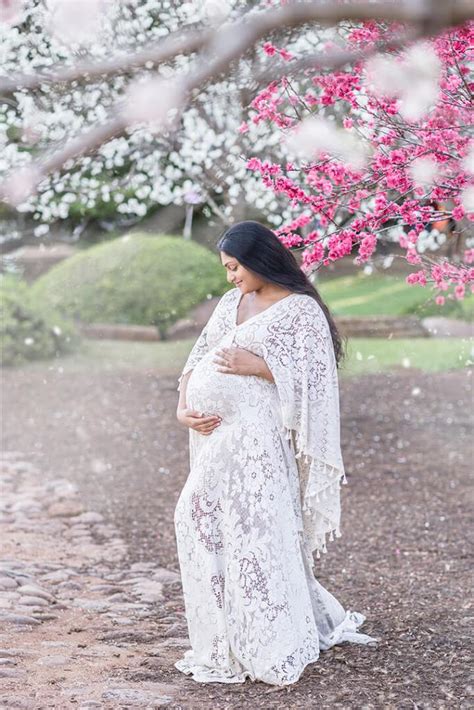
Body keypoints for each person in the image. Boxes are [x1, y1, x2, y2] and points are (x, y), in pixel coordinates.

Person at [174, 220, 379, 686]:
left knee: (256, 532)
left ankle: (268, 637)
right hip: (218, 438)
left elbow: (316, 382)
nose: (230, 277)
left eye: (234, 267)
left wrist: (260, 366)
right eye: (226, 269)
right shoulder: (233, 303)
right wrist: (184, 408)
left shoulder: (300, 312)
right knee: (196, 517)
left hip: (259, 440)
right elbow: (197, 358)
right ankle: (224, 637)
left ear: (260, 259)